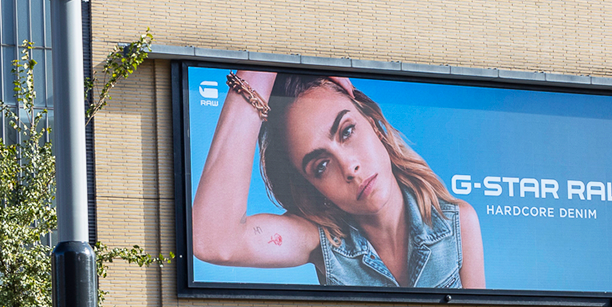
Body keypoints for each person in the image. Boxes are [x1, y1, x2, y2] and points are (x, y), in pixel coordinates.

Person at [190, 70, 486, 288]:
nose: (348, 168)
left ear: (373, 123)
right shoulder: (323, 242)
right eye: (320, 166)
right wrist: (259, 70)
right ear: (312, 187)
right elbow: (214, 241)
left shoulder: (458, 224)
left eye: (346, 131)